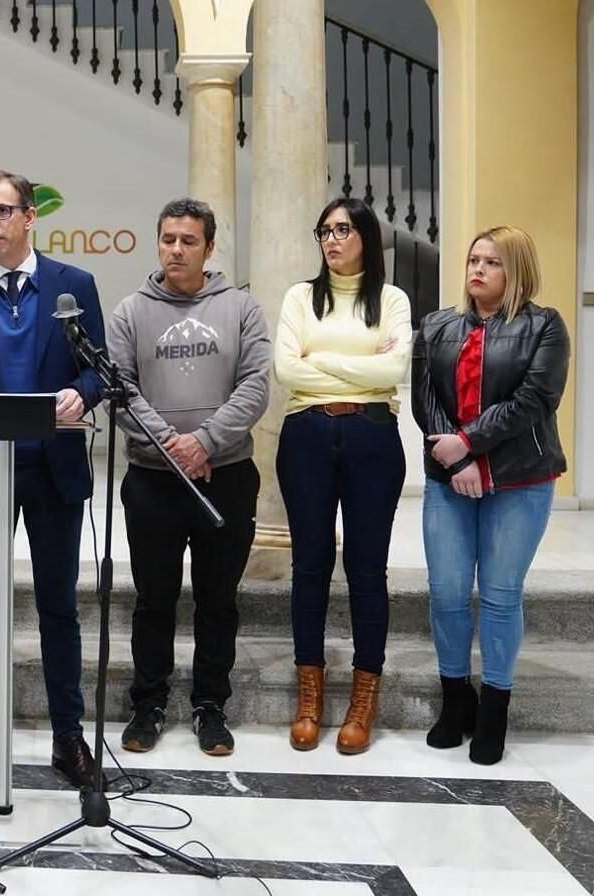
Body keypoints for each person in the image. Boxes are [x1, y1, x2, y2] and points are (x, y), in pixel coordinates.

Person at [0, 169, 104, 789]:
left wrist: (79, 397)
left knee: (58, 608)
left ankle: (68, 737)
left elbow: (98, 372)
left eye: (2, 211)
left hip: (51, 467)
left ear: (31, 216)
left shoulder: (72, 287)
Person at [106, 198, 271, 756]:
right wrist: (172, 449)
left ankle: (209, 707)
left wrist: (203, 443)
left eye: (188, 241)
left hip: (224, 475)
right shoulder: (130, 312)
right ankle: (148, 704)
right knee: (153, 599)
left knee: (217, 600)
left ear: (209, 247)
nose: (176, 249)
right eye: (168, 239)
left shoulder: (241, 308)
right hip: (153, 482)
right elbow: (120, 391)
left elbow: (255, 386)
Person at [413, 226, 568, 766]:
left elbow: (535, 400)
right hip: (448, 479)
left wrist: (471, 446)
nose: (477, 269)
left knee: (501, 595)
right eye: (473, 259)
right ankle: (456, 700)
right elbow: (425, 401)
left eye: (492, 262)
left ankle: (495, 708)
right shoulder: (437, 326)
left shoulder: (544, 326)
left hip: (519, 480)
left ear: (516, 270)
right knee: (448, 594)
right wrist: (455, 457)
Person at [273, 197, 411, 755]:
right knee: (309, 565)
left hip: (373, 437)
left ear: (366, 237)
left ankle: (363, 698)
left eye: (343, 230)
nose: (331, 240)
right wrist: (358, 368)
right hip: (305, 435)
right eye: (324, 231)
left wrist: (321, 361)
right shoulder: (299, 297)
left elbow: (394, 369)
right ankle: (309, 697)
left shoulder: (393, 300)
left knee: (366, 569)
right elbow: (286, 369)